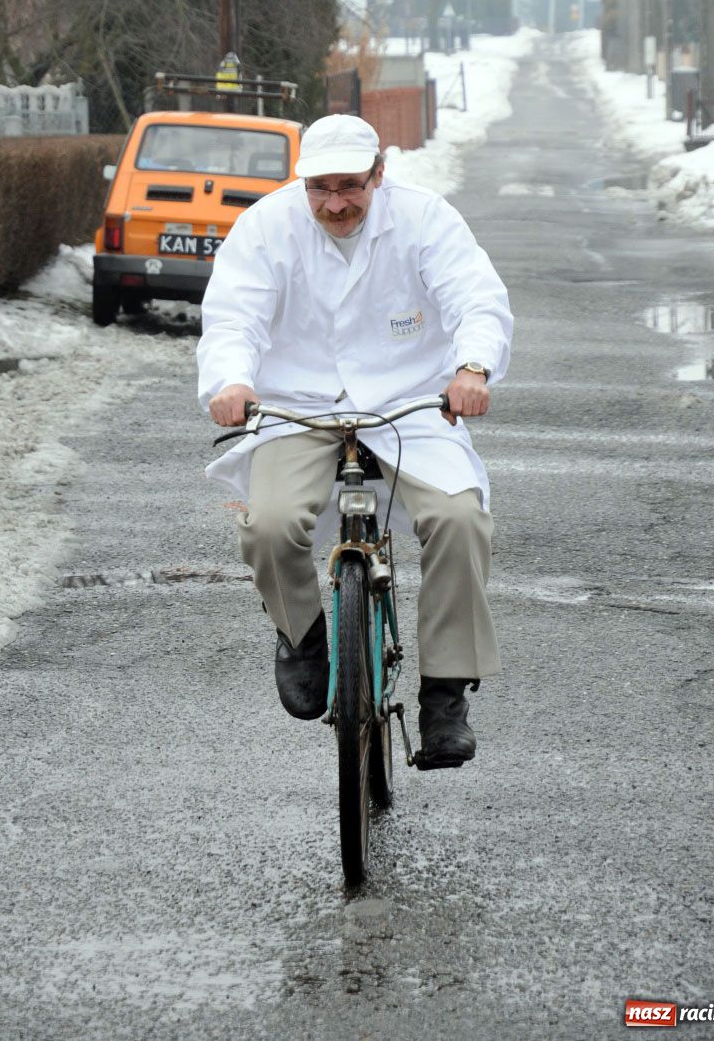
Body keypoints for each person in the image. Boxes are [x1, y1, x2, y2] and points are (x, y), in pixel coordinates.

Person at [197, 113, 513, 769]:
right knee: (268, 524)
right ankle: (304, 637)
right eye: (319, 188)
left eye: (350, 186)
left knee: (459, 517)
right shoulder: (266, 226)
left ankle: (445, 693)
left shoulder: (425, 220)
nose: (335, 202)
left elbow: (475, 299)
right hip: (299, 407)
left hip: (411, 405)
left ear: (379, 175)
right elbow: (234, 316)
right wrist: (231, 380)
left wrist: (473, 367)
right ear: (301, 182)